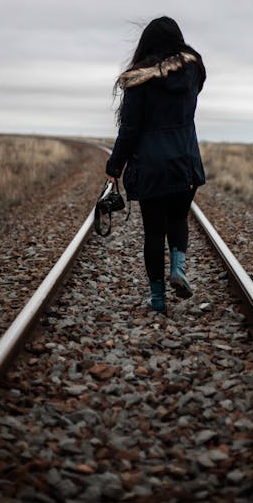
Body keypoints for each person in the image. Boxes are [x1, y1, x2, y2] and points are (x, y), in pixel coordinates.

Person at [106, 16, 206, 314]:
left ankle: (159, 299)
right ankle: (179, 269)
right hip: (184, 162)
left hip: (150, 167)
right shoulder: (192, 72)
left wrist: (115, 166)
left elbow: (130, 130)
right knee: (178, 219)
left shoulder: (138, 81)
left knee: (153, 232)